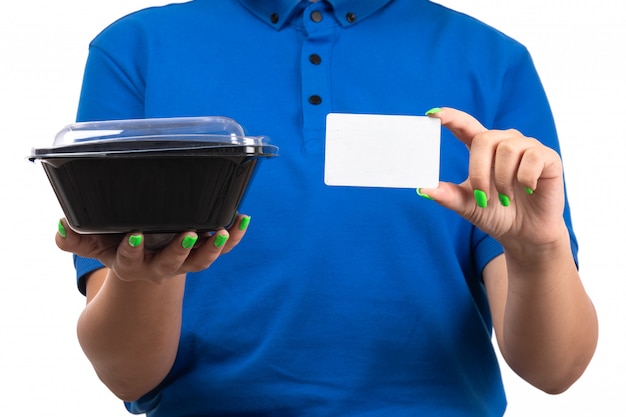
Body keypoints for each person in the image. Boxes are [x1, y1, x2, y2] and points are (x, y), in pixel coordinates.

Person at [55, 0, 598, 416]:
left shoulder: (490, 61)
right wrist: (144, 274)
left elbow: (555, 370)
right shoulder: (136, 50)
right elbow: (128, 375)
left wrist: (540, 252)